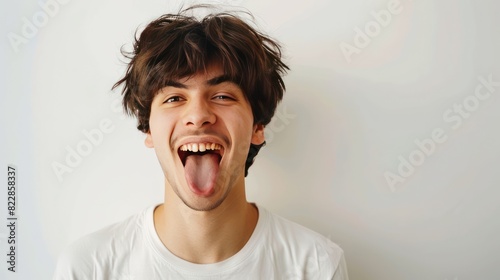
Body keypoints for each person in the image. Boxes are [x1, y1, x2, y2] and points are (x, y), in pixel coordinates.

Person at [53, 5, 349, 279]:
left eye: (222, 96)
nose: (197, 115)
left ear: (257, 126)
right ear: (149, 131)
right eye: (174, 98)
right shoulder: (88, 267)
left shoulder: (316, 266)